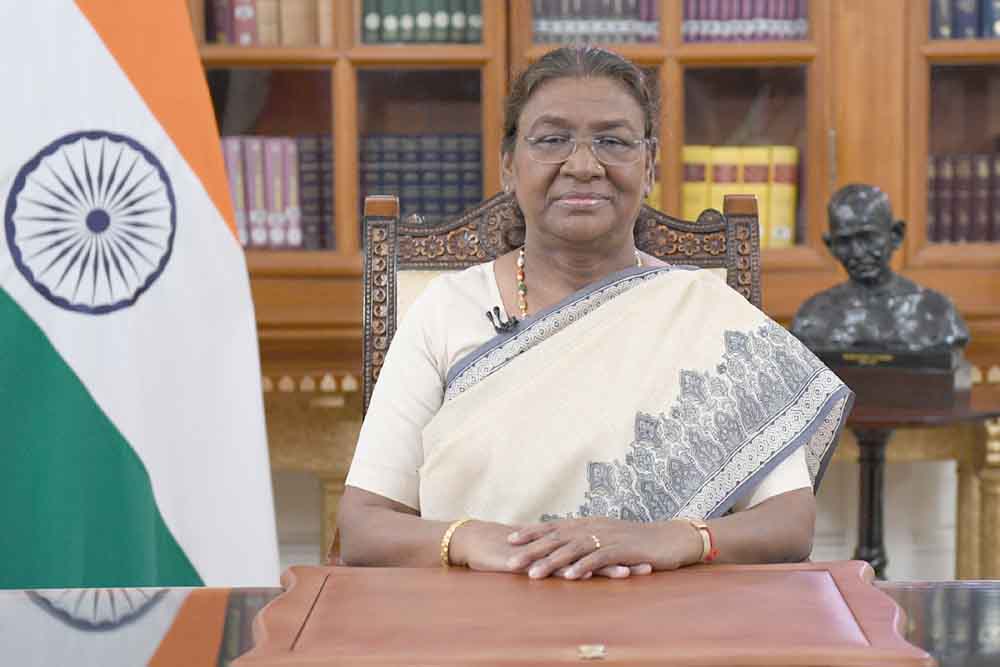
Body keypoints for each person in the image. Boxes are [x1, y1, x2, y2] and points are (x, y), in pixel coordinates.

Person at [338, 46, 853, 580]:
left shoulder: (706, 313)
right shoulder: (445, 312)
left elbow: (791, 521)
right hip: (477, 618)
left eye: (612, 141)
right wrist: (472, 540)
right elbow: (364, 525)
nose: (583, 166)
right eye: (552, 140)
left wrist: (672, 539)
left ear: (649, 165)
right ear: (509, 165)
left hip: (666, 620)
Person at [792, 183, 969, 354]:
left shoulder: (937, 312)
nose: (858, 252)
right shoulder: (812, 316)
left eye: (868, 238)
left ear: (896, 235)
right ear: (830, 245)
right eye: (844, 242)